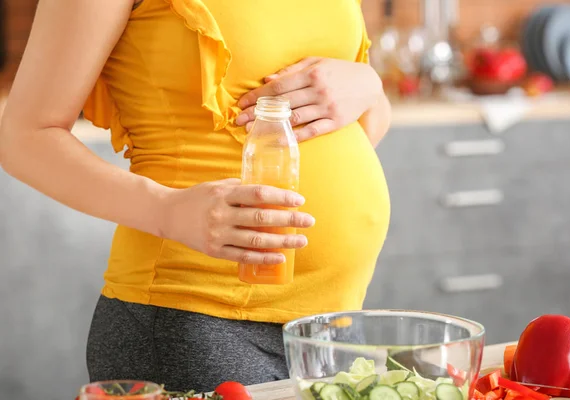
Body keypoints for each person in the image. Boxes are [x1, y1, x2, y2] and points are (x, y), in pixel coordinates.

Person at [0, 0, 392, 392]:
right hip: (195, 319)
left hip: (331, 326)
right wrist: (166, 210)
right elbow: (24, 137)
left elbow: (354, 126)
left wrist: (370, 86)